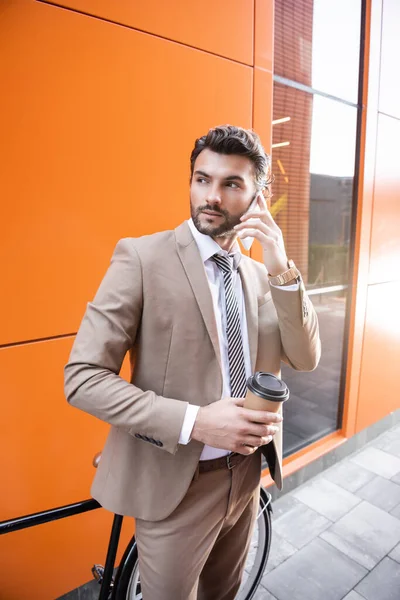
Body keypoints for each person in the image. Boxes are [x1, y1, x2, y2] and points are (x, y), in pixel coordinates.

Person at [64, 125, 320, 600]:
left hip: (247, 478)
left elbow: (306, 357)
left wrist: (281, 261)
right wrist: (196, 422)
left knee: (224, 594)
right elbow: (82, 378)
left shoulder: (263, 273)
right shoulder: (141, 257)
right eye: (202, 180)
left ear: (258, 197)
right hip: (175, 487)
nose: (212, 197)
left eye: (231, 184)